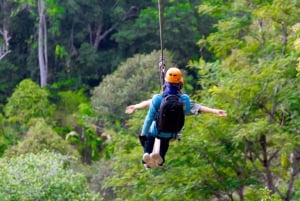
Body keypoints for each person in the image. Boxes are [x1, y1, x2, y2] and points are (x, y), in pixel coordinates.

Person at [137, 67, 191, 169]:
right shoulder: (185, 99)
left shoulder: (158, 98)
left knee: (149, 136)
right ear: (180, 83)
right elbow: (187, 111)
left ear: (166, 82)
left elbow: (149, 118)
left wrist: (143, 134)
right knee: (165, 141)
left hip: (157, 130)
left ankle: (147, 153)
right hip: (173, 132)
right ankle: (160, 158)